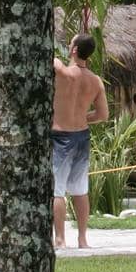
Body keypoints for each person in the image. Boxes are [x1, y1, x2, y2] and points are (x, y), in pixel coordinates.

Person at [52, 33, 109, 250]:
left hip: (60, 136)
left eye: (70, 43)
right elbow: (103, 115)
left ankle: (60, 239)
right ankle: (83, 238)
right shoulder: (95, 81)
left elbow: (55, 63)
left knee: (57, 191)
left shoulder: (62, 72)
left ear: (74, 50)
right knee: (80, 189)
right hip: (82, 135)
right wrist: (82, 117)